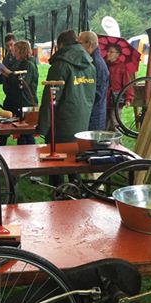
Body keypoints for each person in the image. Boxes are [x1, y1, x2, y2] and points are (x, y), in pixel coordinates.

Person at [37, 29, 96, 186]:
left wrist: (42, 127)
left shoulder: (60, 66)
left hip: (61, 126)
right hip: (81, 124)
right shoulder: (90, 65)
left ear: (60, 45)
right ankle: (76, 196)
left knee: (56, 166)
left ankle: (59, 198)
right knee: (74, 164)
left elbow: (50, 99)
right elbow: (91, 98)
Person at [0, 40, 39, 145]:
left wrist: (9, 74)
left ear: (22, 51)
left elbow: (22, 83)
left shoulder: (29, 65)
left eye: (16, 50)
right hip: (18, 102)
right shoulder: (23, 63)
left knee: (26, 133)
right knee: (21, 133)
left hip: (25, 103)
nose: (13, 52)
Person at [78, 31, 110, 130]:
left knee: (92, 145)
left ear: (89, 44)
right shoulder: (92, 61)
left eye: (80, 43)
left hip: (94, 116)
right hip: (92, 113)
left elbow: (97, 93)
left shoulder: (97, 64)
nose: (78, 47)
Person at [0, 33, 19, 145]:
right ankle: (0, 150)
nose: (10, 48)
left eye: (11, 45)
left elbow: (16, 78)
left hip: (19, 97)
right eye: (7, 46)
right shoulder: (6, 58)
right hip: (9, 96)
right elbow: (2, 78)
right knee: (3, 126)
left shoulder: (20, 59)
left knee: (22, 130)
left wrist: (8, 73)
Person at [105, 43, 134, 132]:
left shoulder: (122, 67)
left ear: (118, 54)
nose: (108, 54)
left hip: (117, 98)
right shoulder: (105, 65)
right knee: (105, 123)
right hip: (106, 98)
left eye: (111, 52)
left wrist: (129, 98)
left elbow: (127, 83)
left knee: (115, 122)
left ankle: (117, 143)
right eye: (108, 51)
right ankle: (106, 143)